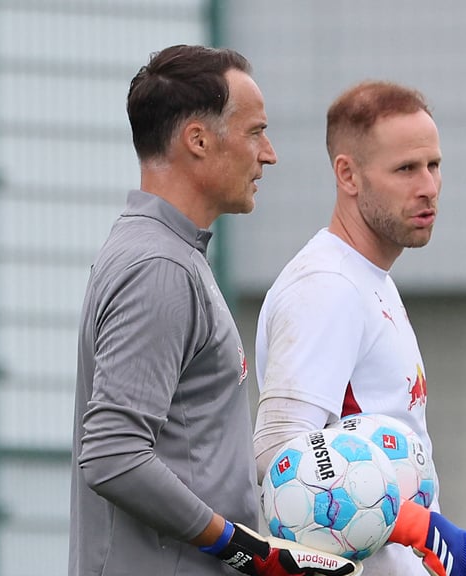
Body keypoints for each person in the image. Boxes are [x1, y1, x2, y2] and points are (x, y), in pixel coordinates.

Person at [70, 44, 357, 576]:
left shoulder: (166, 253)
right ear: (198, 141)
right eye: (255, 132)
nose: (268, 154)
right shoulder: (159, 266)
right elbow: (113, 455)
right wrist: (244, 549)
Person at [253, 80, 466, 576]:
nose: (428, 186)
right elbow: (279, 459)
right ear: (347, 174)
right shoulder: (326, 286)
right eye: (406, 169)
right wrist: (425, 530)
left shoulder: (366, 277)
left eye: (434, 166)